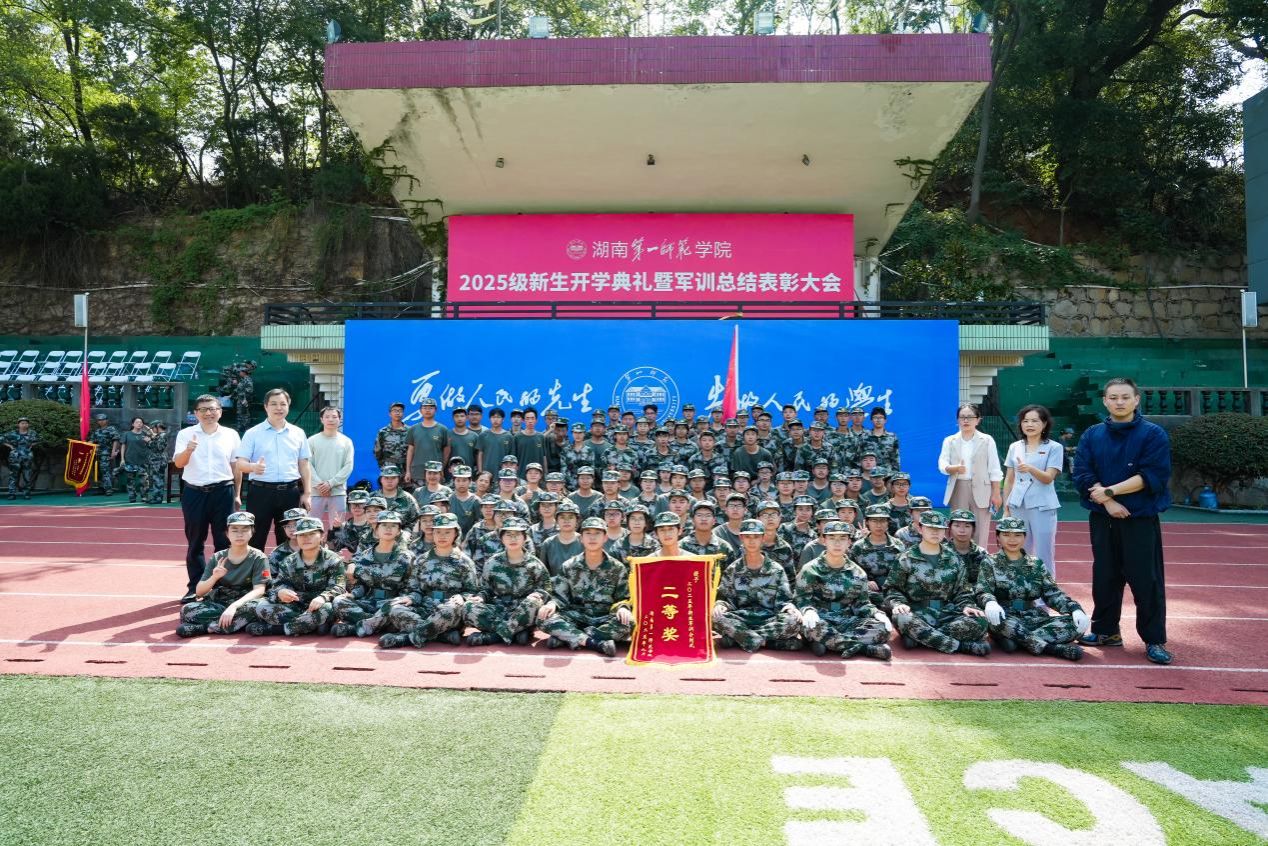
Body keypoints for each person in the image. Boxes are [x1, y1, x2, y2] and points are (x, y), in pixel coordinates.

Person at [1072, 376, 1174, 665]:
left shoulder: (1153, 434)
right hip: (1103, 516)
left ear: (1136, 400)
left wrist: (1111, 492)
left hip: (1139, 518)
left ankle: (1154, 639)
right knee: (1105, 576)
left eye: (1125, 397)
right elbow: (1083, 473)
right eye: (1113, 397)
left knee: (1146, 579)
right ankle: (1106, 631)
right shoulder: (1092, 434)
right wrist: (1108, 502)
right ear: (1105, 401)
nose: (1119, 402)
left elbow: (1152, 475)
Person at [975, 517, 1090, 660]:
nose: (1012, 540)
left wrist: (1074, 609)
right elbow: (983, 590)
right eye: (1006, 535)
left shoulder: (1036, 564)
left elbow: (1052, 593)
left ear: (1024, 537)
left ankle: (1017, 640)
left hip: (1034, 617)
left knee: (1076, 625)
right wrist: (990, 602)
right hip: (1006, 617)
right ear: (998, 537)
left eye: (1017, 535)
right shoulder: (989, 562)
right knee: (994, 621)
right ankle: (1051, 648)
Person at [885, 510, 990, 656]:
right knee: (901, 618)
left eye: (939, 529)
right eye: (930, 528)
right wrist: (898, 604)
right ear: (920, 529)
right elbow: (892, 589)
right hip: (918, 613)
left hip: (947, 613)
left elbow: (963, 591)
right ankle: (961, 646)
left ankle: (920, 638)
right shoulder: (906, 558)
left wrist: (967, 606)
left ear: (945, 531)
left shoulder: (954, 559)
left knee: (980, 620)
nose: (935, 532)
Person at [173, 395, 242, 603]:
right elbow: (178, 464)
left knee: (224, 541)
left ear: (220, 411)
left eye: (212, 409)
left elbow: (236, 467)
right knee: (195, 541)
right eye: (203, 409)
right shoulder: (186, 434)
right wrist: (189, 450)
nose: (208, 413)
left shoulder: (230, 434)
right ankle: (196, 587)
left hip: (224, 491)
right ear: (195, 414)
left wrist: (237, 494)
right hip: (194, 492)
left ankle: (222, 587)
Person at [377, 513, 481, 648]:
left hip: (450, 610)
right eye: (438, 532)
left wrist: (462, 597)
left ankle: (407, 638)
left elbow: (472, 591)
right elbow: (414, 589)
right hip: (425, 607)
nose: (442, 536)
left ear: (456, 534)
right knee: (395, 608)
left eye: (447, 532)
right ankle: (441, 635)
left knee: (450, 609)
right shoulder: (422, 560)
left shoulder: (464, 562)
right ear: (433, 533)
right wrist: (411, 598)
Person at [796, 521, 893, 660]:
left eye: (842, 538)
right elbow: (801, 599)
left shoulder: (858, 573)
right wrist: (808, 610)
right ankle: (864, 648)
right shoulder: (810, 569)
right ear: (824, 540)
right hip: (820, 618)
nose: (837, 543)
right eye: (832, 538)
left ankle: (828, 642)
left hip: (847, 620)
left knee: (883, 628)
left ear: (849, 542)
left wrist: (876, 613)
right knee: (807, 625)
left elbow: (862, 604)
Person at [538, 516, 633, 657]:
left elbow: (623, 598)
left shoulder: (617, 568)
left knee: (629, 622)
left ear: (605, 538)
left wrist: (623, 608)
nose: (592, 537)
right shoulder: (569, 566)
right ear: (581, 538)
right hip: (576, 617)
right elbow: (560, 597)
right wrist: (552, 604)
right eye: (588, 533)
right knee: (543, 618)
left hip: (604, 618)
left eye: (597, 533)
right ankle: (595, 643)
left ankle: (569, 637)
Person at [235, 388, 311, 551]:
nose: (279, 408)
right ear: (265, 406)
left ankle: (286, 568)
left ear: (288, 406)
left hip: (290, 492)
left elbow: (304, 465)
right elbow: (240, 463)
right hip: (261, 492)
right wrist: (253, 467)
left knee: (290, 539)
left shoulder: (298, 433)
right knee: (255, 537)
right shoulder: (252, 433)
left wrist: (307, 493)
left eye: (283, 404)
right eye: (274, 404)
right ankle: (256, 568)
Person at [712, 519, 803, 653]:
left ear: (763, 538)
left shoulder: (776, 570)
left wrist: (790, 608)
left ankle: (740, 639)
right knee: (715, 617)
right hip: (741, 618)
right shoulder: (733, 569)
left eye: (756, 537)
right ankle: (769, 643)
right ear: (741, 538)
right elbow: (726, 598)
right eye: (747, 537)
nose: (752, 541)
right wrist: (720, 605)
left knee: (794, 620)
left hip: (769, 619)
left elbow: (784, 601)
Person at [175, 511, 269, 637]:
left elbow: (259, 590)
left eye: (245, 530)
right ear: (227, 533)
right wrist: (215, 577)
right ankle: (235, 623)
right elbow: (199, 592)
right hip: (221, 601)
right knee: (187, 610)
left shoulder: (259, 557)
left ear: (252, 532)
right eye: (234, 530)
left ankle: (207, 628)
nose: (239, 534)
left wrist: (234, 607)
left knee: (260, 608)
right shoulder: (217, 557)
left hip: (245, 602)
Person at [247, 516, 345, 636]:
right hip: (296, 604)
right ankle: (313, 623)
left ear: (322, 536)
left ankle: (277, 629)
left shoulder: (333, 559)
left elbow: (338, 586)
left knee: (329, 609)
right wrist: (281, 591)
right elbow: (280, 583)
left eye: (311, 534)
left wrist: (323, 597)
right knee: (261, 607)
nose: (306, 538)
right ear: (297, 537)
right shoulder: (289, 561)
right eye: (301, 535)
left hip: (321, 604)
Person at [462, 516, 552, 646]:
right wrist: (481, 597)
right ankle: (515, 632)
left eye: (517, 535)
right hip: (499, 609)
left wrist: (537, 595)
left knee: (534, 603)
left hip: (522, 611)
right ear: (502, 538)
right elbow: (485, 589)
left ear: (525, 538)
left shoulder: (535, 564)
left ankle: (494, 637)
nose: (513, 539)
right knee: (469, 607)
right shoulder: (492, 562)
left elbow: (546, 590)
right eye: (508, 535)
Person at [329, 510, 415, 638]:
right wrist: (354, 594)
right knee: (339, 601)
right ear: (377, 529)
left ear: (398, 531)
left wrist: (406, 598)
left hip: (392, 602)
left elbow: (411, 586)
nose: (388, 529)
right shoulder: (364, 556)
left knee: (398, 610)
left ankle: (356, 627)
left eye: (393, 526)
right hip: (368, 601)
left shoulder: (406, 557)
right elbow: (362, 584)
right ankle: (376, 624)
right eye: (384, 525)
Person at [1002, 404, 1064, 577]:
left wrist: (1030, 468)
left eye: (1035, 421)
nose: (1029, 424)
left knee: (1044, 551)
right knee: (1018, 549)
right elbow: (1009, 479)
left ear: (1044, 424)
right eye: (1025, 421)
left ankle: (1047, 589)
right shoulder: (1015, 446)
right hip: (1017, 504)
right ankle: (1020, 588)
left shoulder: (1054, 447)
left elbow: (1048, 478)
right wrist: (1006, 507)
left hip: (1042, 505)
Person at [937, 403, 1003, 547]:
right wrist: (953, 468)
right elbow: (942, 463)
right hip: (958, 487)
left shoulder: (987, 440)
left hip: (983, 488)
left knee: (981, 529)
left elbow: (994, 468)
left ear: (978, 420)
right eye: (962, 417)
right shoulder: (950, 440)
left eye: (970, 417)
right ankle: (959, 559)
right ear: (957, 420)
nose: (966, 420)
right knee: (959, 528)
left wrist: (996, 493)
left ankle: (980, 558)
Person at [307, 406, 354, 530]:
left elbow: (348, 466)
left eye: (334, 417)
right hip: (316, 492)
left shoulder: (346, 442)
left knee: (338, 528)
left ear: (339, 419)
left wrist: (331, 483)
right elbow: (307, 465)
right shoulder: (312, 441)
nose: (331, 419)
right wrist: (320, 485)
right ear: (321, 419)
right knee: (312, 528)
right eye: (327, 417)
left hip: (338, 492)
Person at [404, 397, 450, 486]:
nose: (427, 410)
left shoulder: (442, 429)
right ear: (420, 410)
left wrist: (441, 468)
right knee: (418, 495)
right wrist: (408, 471)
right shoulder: (413, 429)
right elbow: (410, 451)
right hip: (417, 472)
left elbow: (447, 450)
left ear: (435, 410)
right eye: (425, 408)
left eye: (431, 408)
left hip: (436, 473)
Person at [118, 417, 153, 503]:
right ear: (133, 424)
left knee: (144, 481)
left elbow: (153, 441)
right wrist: (122, 459)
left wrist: (149, 431)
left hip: (143, 461)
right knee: (130, 481)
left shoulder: (145, 434)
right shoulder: (127, 434)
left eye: (141, 422)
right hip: (130, 460)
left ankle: (144, 496)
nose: (139, 424)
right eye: (137, 422)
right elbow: (123, 446)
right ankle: (132, 496)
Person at [88, 414, 120, 495]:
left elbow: (116, 440)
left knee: (105, 471)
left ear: (107, 420)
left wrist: (113, 451)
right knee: (98, 471)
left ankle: (108, 489)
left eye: (103, 420)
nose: (101, 421)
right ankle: (102, 488)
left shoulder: (111, 429)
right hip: (97, 454)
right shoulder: (97, 431)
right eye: (99, 420)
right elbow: (92, 440)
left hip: (107, 453)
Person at [373, 402, 410, 472]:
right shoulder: (383, 432)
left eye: (400, 411)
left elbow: (414, 450)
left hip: (406, 468)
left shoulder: (410, 431)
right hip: (388, 468)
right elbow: (377, 452)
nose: (397, 413)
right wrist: (383, 466)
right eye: (395, 410)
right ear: (390, 414)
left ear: (403, 414)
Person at [144, 420, 170, 504]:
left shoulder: (162, 436)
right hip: (157, 460)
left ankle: (157, 498)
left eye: (153, 428)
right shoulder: (160, 435)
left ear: (158, 427)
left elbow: (159, 448)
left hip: (158, 461)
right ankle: (156, 497)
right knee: (157, 479)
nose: (152, 429)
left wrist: (149, 441)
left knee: (157, 479)